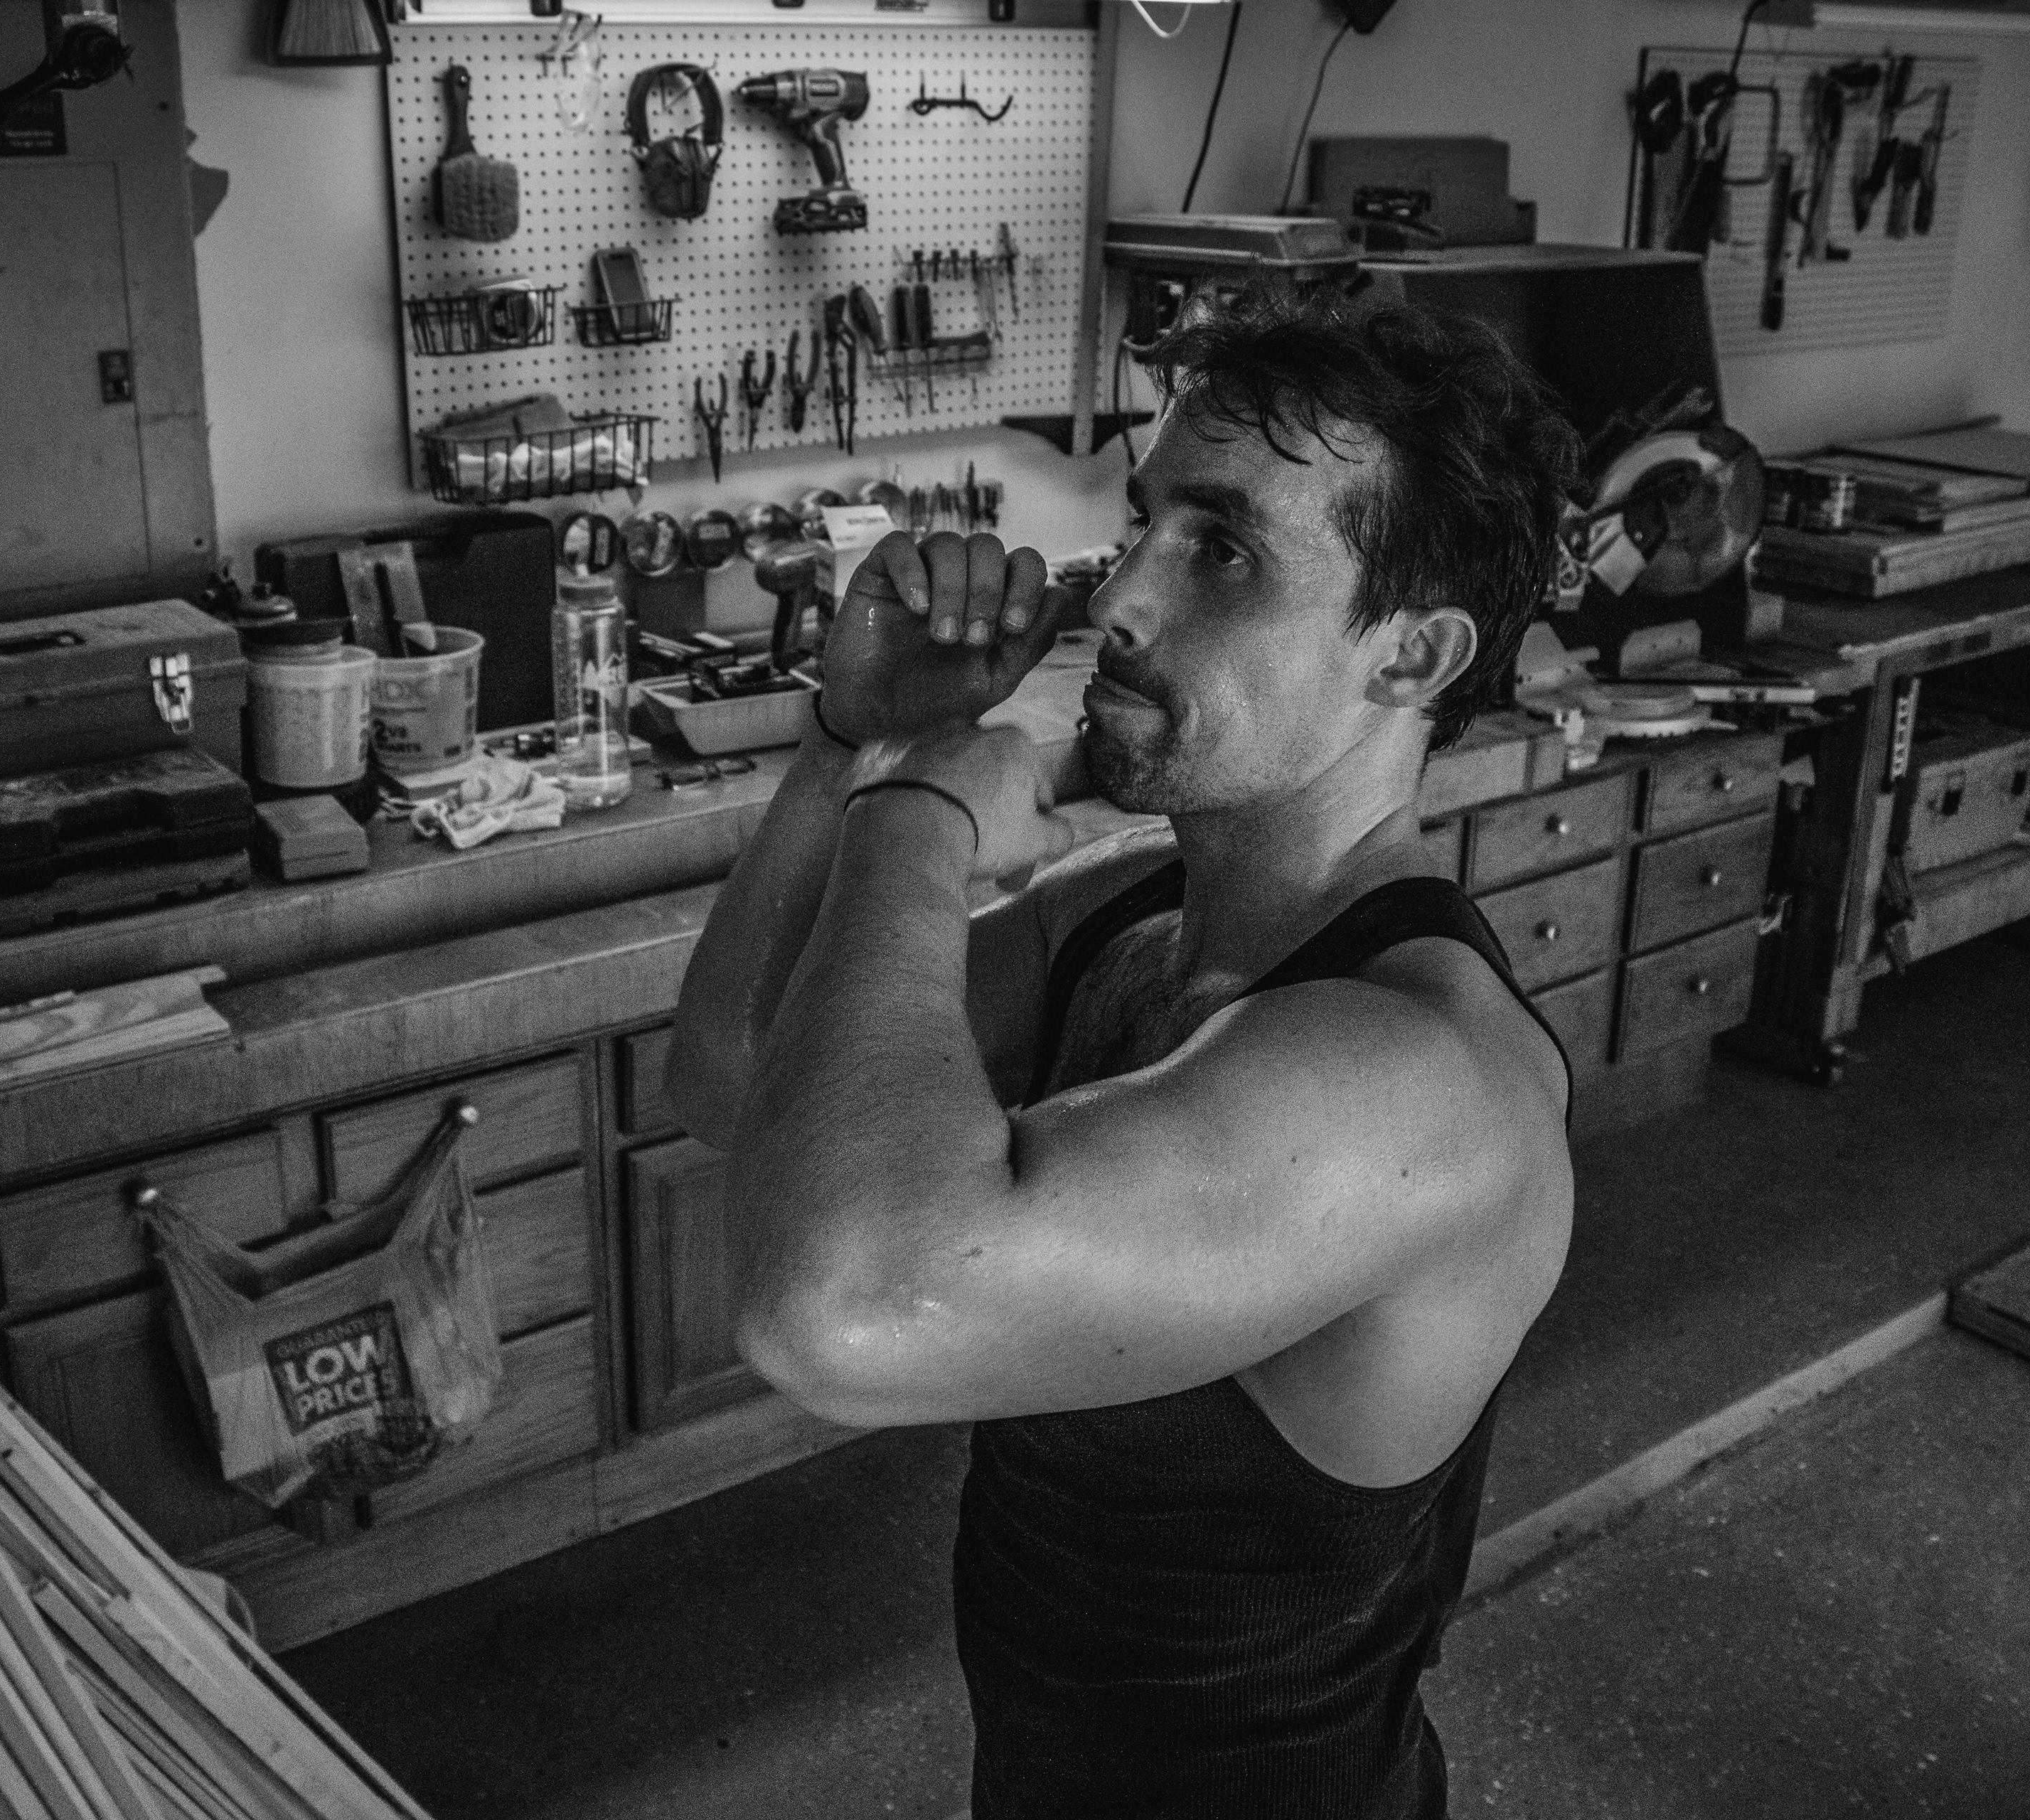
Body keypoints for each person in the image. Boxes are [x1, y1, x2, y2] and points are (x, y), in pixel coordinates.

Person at [665, 287, 1583, 1819]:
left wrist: (920, 814)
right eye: (1145, 522)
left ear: (1411, 656)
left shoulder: (1421, 1081)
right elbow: (734, 1074)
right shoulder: (1132, 917)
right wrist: (854, 739)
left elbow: (838, 1305)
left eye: (1223, 552)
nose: (1124, 600)